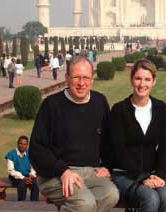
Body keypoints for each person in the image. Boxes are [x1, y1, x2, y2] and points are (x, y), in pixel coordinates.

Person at [29, 56, 119, 212]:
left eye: (86, 78)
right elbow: (37, 149)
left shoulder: (99, 101)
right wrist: (62, 170)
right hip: (55, 174)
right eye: (76, 77)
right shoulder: (51, 105)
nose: (81, 83)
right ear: (67, 78)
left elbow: (108, 141)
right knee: (84, 203)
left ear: (92, 79)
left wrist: (107, 166)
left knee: (111, 195)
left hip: (90, 172)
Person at [108, 59, 166, 212]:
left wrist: (160, 174)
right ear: (132, 79)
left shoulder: (161, 108)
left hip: (152, 173)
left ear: (154, 82)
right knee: (150, 198)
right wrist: (142, 177)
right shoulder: (119, 110)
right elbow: (119, 150)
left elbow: (164, 145)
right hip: (124, 174)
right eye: (138, 78)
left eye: (147, 79)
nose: (142, 84)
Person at [5, 135, 39, 201]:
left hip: (28, 176)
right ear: (17, 143)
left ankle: (34, 204)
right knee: (22, 184)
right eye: (21, 143)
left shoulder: (30, 153)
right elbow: (11, 170)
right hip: (16, 177)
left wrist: (31, 175)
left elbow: (33, 166)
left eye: (25, 144)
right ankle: (21, 204)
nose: (22, 146)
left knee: (35, 184)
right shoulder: (11, 154)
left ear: (27, 145)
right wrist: (23, 178)